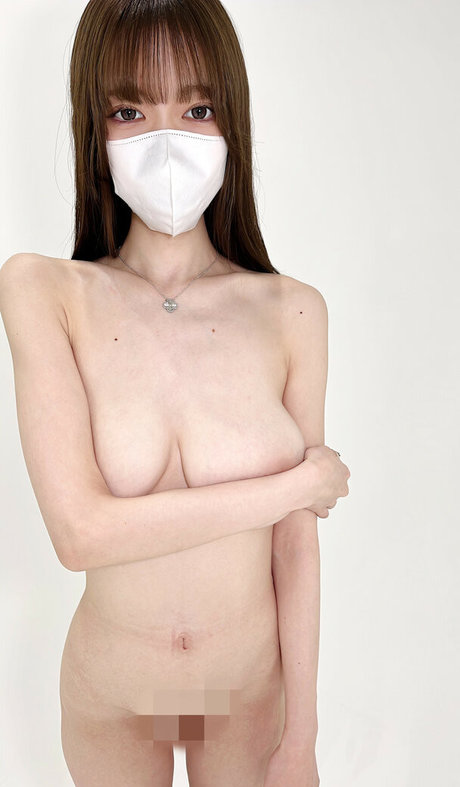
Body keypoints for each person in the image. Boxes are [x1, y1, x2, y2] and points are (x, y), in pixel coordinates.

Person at [0, 0, 350, 785]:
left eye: (196, 109)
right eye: (131, 110)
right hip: (114, 702)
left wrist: (302, 737)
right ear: (95, 130)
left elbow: (295, 547)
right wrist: (296, 484)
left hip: (248, 700)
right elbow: (80, 533)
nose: (167, 142)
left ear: (233, 123)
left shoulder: (294, 311)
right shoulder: (43, 291)